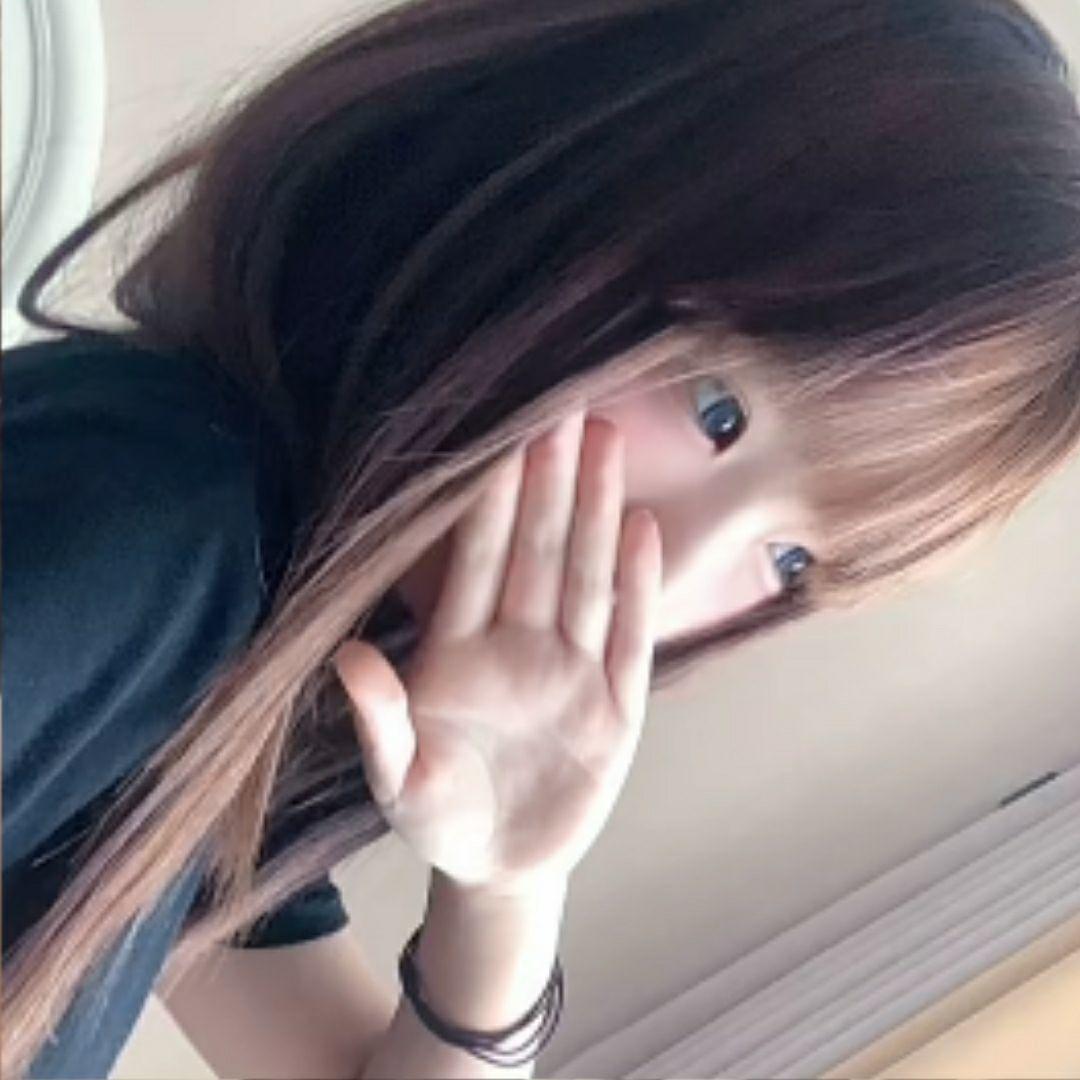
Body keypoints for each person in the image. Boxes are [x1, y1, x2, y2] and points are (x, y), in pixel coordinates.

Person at [4, 0, 1080, 1076]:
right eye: (717, 410)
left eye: (792, 563)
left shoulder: (240, 658)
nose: (669, 569)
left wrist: (509, 890)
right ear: (565, 187)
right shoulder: (154, 537)